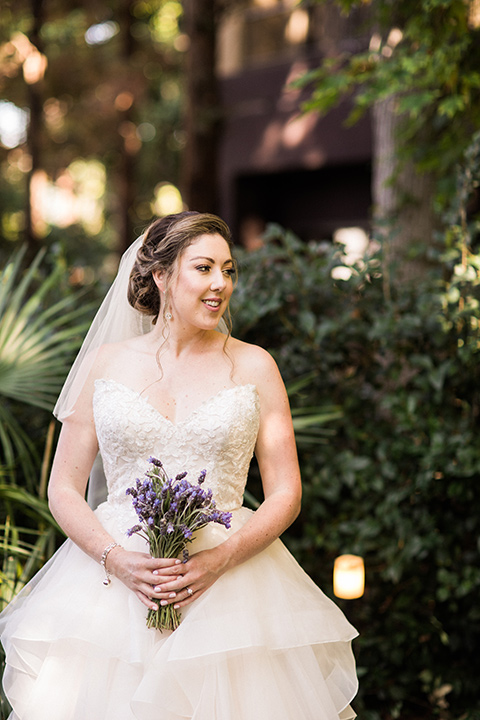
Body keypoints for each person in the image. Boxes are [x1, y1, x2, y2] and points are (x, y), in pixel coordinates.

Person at [0, 211, 358, 720]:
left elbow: (285, 494)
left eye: (228, 270)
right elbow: (63, 488)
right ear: (162, 276)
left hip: (233, 589)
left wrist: (222, 559)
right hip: (112, 592)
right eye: (204, 268)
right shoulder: (106, 364)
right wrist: (116, 560)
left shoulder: (256, 365)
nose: (220, 285)